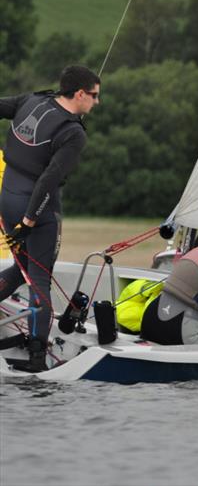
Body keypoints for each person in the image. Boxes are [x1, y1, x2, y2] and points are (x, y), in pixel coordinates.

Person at [0, 65, 100, 372]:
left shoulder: (31, 100)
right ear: (80, 93)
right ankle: (36, 360)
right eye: (94, 96)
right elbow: (49, 179)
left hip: (7, 199)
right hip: (36, 210)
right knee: (39, 277)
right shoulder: (73, 133)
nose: (96, 102)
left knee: (22, 267)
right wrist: (29, 222)